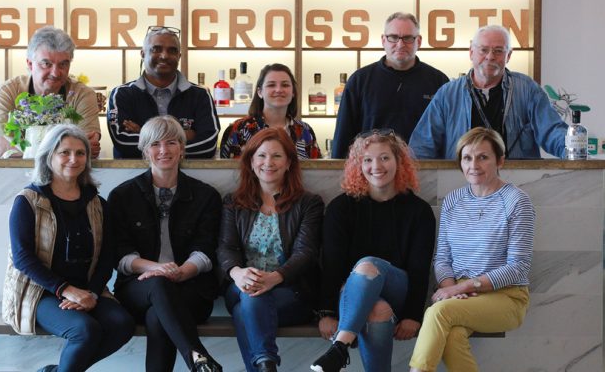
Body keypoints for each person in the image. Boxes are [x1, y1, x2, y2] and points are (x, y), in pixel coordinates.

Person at [1, 124, 134, 372]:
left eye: (80, 153)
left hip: (87, 291)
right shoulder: (28, 201)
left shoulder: (97, 204)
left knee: (122, 323)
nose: (73, 159)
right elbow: (22, 258)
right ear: (48, 156)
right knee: (84, 330)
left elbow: (107, 257)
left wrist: (91, 294)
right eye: (64, 152)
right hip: (41, 293)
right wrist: (66, 290)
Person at [409, 127, 534, 372]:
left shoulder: (517, 201)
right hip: (460, 295)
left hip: (506, 296)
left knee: (438, 312)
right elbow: (442, 257)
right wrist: (451, 289)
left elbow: (518, 267)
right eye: (467, 158)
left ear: (500, 161)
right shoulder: (454, 200)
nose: (473, 165)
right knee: (453, 337)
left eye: (483, 157)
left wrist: (463, 287)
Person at [310, 129, 436, 372]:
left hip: (398, 291)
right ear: (359, 165)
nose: (376, 166)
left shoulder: (418, 211)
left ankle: (340, 348)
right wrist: (325, 312)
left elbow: (419, 270)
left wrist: (412, 315)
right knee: (377, 309)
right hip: (350, 296)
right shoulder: (341, 208)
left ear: (399, 162)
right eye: (367, 159)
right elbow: (332, 265)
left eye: (385, 158)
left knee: (368, 264)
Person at [108, 116, 223, 372]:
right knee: (157, 283)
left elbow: (206, 249)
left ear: (182, 148)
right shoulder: (123, 196)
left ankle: (198, 360)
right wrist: (157, 270)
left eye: (171, 142)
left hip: (191, 289)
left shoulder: (205, 196)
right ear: (145, 150)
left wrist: (183, 271)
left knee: (157, 317)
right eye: (155, 144)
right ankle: (198, 357)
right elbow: (120, 254)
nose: (163, 150)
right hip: (137, 289)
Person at [218, 127, 324, 372]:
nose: (269, 162)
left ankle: (266, 365)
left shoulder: (308, 203)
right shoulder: (234, 202)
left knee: (246, 308)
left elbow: (305, 253)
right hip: (241, 284)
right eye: (261, 155)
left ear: (288, 162)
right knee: (249, 296)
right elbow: (226, 248)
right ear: (251, 161)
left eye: (277, 156)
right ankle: (267, 364)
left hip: (291, 290)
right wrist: (237, 273)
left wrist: (275, 278)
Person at [409, 24, 568, 159]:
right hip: (461, 183)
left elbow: (552, 131)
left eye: (498, 51)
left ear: (509, 55)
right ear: (471, 52)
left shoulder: (527, 90)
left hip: (515, 184)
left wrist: (572, 151)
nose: (490, 57)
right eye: (483, 50)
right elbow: (423, 145)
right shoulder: (447, 94)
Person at [331, 12, 449, 158]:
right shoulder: (359, 81)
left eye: (408, 38)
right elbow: (343, 136)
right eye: (393, 37)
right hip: (372, 172)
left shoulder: (438, 81)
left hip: (424, 173)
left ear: (418, 41)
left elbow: (448, 137)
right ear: (383, 40)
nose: (400, 44)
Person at [107, 26, 220, 159]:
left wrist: (143, 132)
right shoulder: (121, 94)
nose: (164, 55)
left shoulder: (200, 95)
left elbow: (208, 145)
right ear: (143, 54)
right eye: (156, 49)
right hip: (132, 176)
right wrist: (186, 135)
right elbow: (123, 142)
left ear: (179, 56)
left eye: (172, 51)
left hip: (189, 177)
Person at [0, 26, 102, 158]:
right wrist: (66, 150)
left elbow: (87, 150)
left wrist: (35, 151)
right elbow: (4, 150)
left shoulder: (82, 95)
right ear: (30, 64)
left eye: (63, 64)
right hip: (17, 176)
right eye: (46, 64)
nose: (55, 73)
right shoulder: (7, 92)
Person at [219, 63, 322, 159]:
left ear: (293, 92)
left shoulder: (304, 130)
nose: (278, 90)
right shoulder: (238, 129)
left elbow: (316, 171)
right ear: (260, 92)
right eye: (271, 85)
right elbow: (227, 173)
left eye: (285, 85)